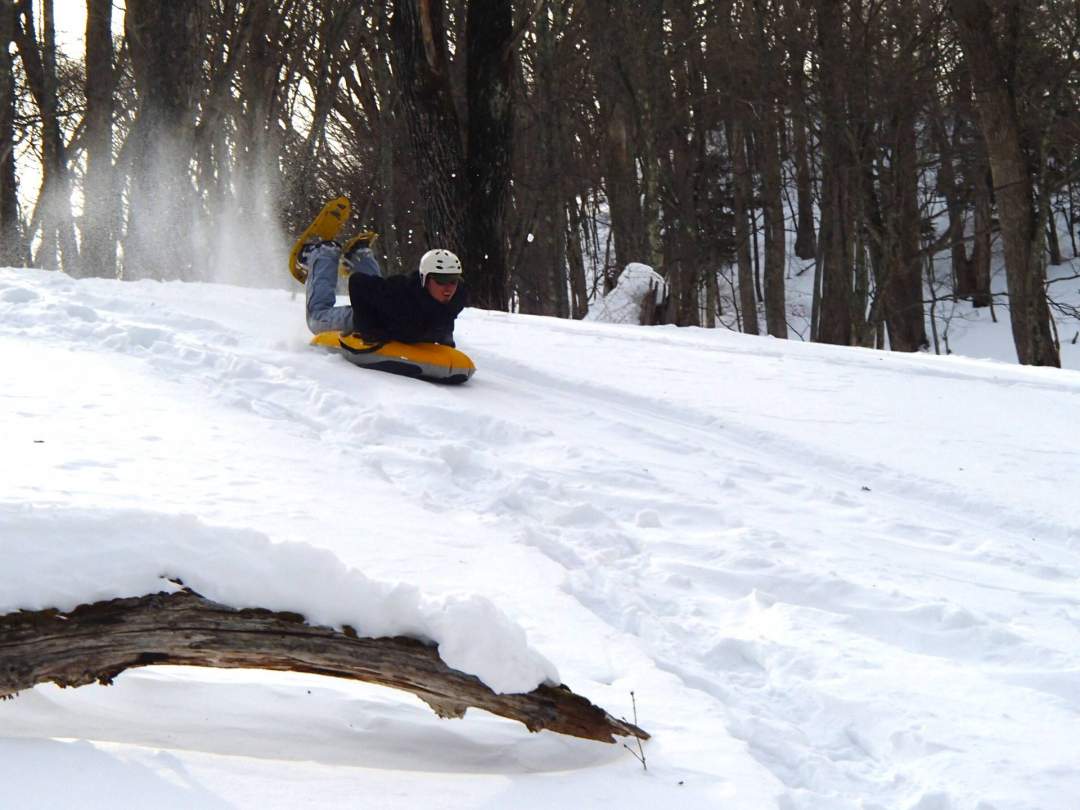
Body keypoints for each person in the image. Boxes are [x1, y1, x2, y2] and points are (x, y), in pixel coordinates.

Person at [300, 235, 467, 347]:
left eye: (453, 281)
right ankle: (323, 254)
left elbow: (444, 313)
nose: (448, 288)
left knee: (379, 290)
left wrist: (444, 335)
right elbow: (357, 283)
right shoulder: (402, 298)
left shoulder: (457, 296)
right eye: (441, 281)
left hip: (386, 309)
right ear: (425, 279)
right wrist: (367, 328)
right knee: (316, 318)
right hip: (362, 317)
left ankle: (360, 255)